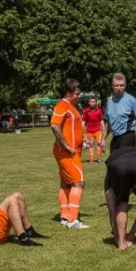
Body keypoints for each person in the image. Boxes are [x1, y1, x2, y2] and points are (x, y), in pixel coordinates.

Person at [51, 78, 88, 229]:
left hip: (73, 151)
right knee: (79, 182)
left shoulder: (72, 107)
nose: (80, 96)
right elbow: (54, 125)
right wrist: (66, 145)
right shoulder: (62, 105)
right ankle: (73, 220)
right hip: (67, 152)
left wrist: (83, 139)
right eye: (77, 93)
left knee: (66, 182)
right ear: (69, 92)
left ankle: (65, 216)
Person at [104, 147, 136, 250]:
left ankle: (121, 245)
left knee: (121, 204)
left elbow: (112, 209)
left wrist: (118, 237)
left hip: (117, 166)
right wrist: (132, 233)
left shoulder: (110, 181)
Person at [101, 73, 136, 153]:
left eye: (121, 85)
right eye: (116, 85)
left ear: (125, 86)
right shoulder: (109, 101)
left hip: (127, 136)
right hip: (115, 137)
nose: (119, 88)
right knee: (112, 162)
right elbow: (108, 123)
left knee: (123, 162)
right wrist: (103, 139)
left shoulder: (132, 100)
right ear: (112, 86)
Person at [82, 98, 105, 163]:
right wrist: (81, 127)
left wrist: (103, 127)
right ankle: (91, 160)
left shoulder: (99, 110)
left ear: (95, 102)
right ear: (88, 103)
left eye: (94, 101)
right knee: (91, 144)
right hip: (89, 131)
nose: (92, 103)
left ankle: (98, 159)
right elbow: (83, 120)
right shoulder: (86, 111)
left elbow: (101, 120)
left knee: (99, 143)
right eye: (91, 101)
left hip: (97, 130)